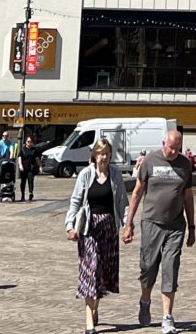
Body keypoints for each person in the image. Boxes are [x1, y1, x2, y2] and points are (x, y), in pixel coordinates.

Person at [122, 127, 196, 334]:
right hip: (151, 223)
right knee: (148, 268)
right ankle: (145, 301)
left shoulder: (184, 165)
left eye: (176, 149)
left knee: (170, 268)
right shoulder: (150, 162)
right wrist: (129, 224)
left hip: (175, 226)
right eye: (170, 148)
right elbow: (137, 193)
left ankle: (167, 317)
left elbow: (188, 197)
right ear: (164, 143)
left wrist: (192, 227)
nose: (173, 152)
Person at [66, 136, 125, 332]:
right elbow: (75, 201)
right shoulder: (85, 174)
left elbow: (123, 204)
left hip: (108, 228)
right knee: (90, 271)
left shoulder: (115, 175)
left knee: (102, 273)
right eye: (100, 154)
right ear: (94, 155)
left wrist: (127, 226)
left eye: (107, 154)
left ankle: (95, 307)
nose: (104, 157)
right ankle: (89, 324)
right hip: (88, 228)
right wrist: (70, 226)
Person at [19, 131, 41, 202]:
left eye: (30, 141)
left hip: (31, 168)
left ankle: (30, 193)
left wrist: (40, 166)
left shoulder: (34, 150)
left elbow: (37, 159)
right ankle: (22, 196)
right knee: (23, 182)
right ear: (26, 142)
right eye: (28, 141)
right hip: (24, 168)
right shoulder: (22, 150)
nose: (29, 143)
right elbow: (19, 158)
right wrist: (20, 165)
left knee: (31, 180)